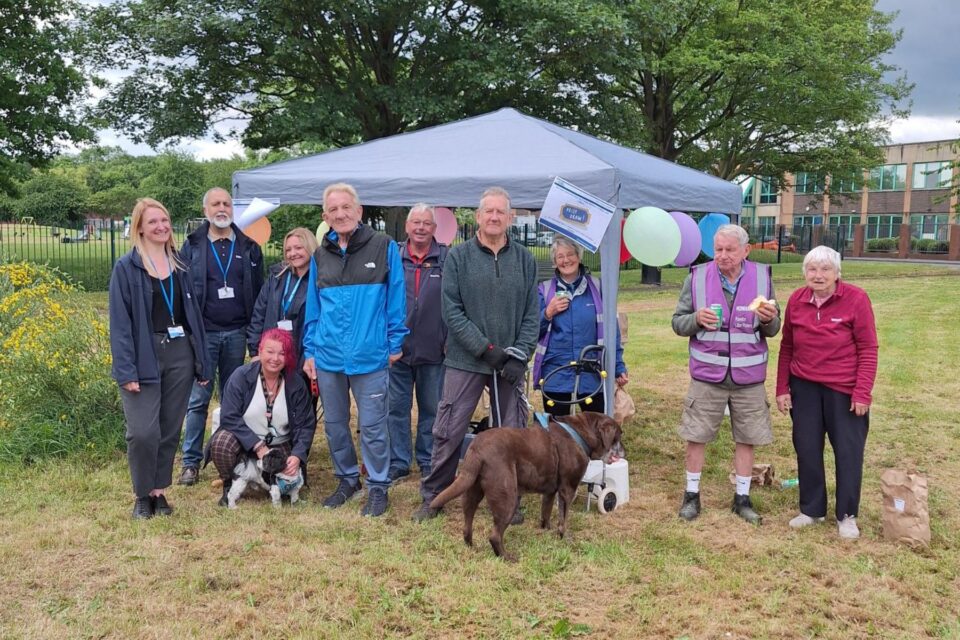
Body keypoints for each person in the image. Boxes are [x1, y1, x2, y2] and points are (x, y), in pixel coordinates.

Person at [413, 187, 539, 522]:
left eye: (501, 212)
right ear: (478, 217)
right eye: (489, 212)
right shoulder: (458, 257)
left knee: (512, 434)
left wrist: (519, 355)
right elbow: (452, 313)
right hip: (465, 360)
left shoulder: (525, 260)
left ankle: (510, 499)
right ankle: (434, 496)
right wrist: (486, 350)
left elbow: (532, 313)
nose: (495, 217)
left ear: (510, 218)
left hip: (510, 364)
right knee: (448, 430)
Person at [302, 183, 408, 517]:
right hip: (329, 355)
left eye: (346, 207)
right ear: (325, 216)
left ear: (359, 211)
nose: (341, 214)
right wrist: (310, 351)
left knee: (375, 426)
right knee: (334, 424)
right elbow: (313, 308)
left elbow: (396, 299)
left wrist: (394, 343)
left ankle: (377, 486)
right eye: (333, 210)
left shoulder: (383, 247)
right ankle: (347, 480)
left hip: (371, 355)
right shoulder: (320, 255)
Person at [109, 198, 211, 519]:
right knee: (143, 431)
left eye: (165, 221)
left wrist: (201, 362)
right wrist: (126, 370)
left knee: (169, 427)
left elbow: (193, 315)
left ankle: (158, 491)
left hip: (180, 353)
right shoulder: (127, 268)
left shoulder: (180, 265)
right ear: (139, 227)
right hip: (144, 355)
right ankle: (141, 493)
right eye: (153, 222)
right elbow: (120, 325)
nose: (161, 227)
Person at [671, 224, 780, 524]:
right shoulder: (696, 278)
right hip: (708, 374)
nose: (723, 255)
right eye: (718, 249)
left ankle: (742, 499)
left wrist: (769, 320)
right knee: (696, 436)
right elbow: (677, 323)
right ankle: (691, 496)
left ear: (746, 250)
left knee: (747, 438)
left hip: (749, 378)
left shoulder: (762, 276)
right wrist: (695, 319)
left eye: (730, 249)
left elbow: (773, 327)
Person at [776, 246, 878, 540]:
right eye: (812, 269)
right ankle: (811, 509)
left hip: (843, 389)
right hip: (804, 386)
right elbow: (787, 347)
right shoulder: (796, 299)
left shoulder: (856, 299)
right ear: (805, 272)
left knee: (847, 452)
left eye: (825, 269)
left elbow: (868, 348)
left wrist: (862, 392)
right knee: (806, 448)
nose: (818, 275)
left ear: (837, 273)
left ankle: (847, 515)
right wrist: (783, 387)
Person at [178, 187, 265, 486]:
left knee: (234, 401)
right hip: (204, 336)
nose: (222, 208)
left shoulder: (250, 247)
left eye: (226, 203)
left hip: (237, 333)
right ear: (205, 210)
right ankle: (190, 462)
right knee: (198, 400)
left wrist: (255, 337)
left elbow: (259, 295)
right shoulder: (191, 246)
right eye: (215, 203)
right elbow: (181, 293)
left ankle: (229, 456)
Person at [208, 328, 317, 505]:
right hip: (246, 443)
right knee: (221, 443)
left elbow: (306, 424)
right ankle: (230, 484)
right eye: (270, 352)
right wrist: (257, 446)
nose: (275, 359)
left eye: (282, 353)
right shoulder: (241, 377)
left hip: (280, 444)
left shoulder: (295, 383)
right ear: (259, 351)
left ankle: (274, 485)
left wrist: (297, 456)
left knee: (290, 473)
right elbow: (229, 416)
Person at [533, 236, 628, 416]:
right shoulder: (544, 290)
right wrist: (548, 313)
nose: (566, 260)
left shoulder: (598, 287)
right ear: (554, 261)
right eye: (560, 256)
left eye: (570, 254)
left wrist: (618, 366)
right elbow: (531, 332)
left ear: (579, 256)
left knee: (594, 430)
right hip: (556, 371)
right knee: (558, 431)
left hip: (591, 370)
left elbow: (612, 331)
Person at [387, 204, 448, 483]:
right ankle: (399, 461)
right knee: (396, 408)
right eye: (416, 223)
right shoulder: (393, 257)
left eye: (427, 223)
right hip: (396, 351)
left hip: (434, 350)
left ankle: (426, 459)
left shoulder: (446, 258)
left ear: (434, 229)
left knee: (431, 409)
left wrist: (448, 338)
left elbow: (455, 303)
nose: (421, 228)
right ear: (408, 226)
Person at [246, 227, 318, 358]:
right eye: (288, 250)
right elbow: (259, 314)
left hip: (304, 356)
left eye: (298, 248)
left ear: (310, 246)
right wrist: (255, 351)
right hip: (273, 355)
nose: (293, 253)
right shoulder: (277, 277)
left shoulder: (320, 280)